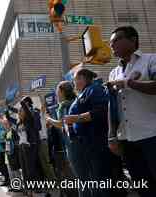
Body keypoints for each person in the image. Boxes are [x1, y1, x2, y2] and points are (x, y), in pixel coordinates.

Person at [108, 26, 156, 197]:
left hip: (151, 135)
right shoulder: (113, 73)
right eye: (110, 43)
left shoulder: (151, 60)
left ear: (132, 39)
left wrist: (128, 83)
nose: (111, 45)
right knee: (142, 187)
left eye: (115, 40)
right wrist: (112, 135)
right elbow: (112, 107)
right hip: (127, 140)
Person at [63, 68, 112, 197]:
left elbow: (101, 111)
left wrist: (76, 118)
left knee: (99, 179)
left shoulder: (94, 89)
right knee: (93, 178)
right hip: (85, 144)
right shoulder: (83, 92)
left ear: (82, 78)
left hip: (96, 141)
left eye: (75, 80)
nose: (74, 83)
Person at [46, 81, 78, 197]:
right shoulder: (73, 102)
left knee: (74, 174)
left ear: (62, 91)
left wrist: (49, 120)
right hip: (71, 144)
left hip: (72, 145)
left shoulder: (64, 105)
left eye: (57, 91)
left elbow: (61, 123)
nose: (56, 94)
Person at [18, 97, 43, 197]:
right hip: (22, 147)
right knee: (24, 169)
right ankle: (28, 188)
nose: (20, 113)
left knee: (31, 168)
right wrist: (7, 107)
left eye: (21, 111)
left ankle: (36, 188)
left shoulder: (29, 119)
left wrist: (22, 102)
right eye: (19, 112)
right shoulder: (20, 123)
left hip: (30, 145)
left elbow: (28, 113)